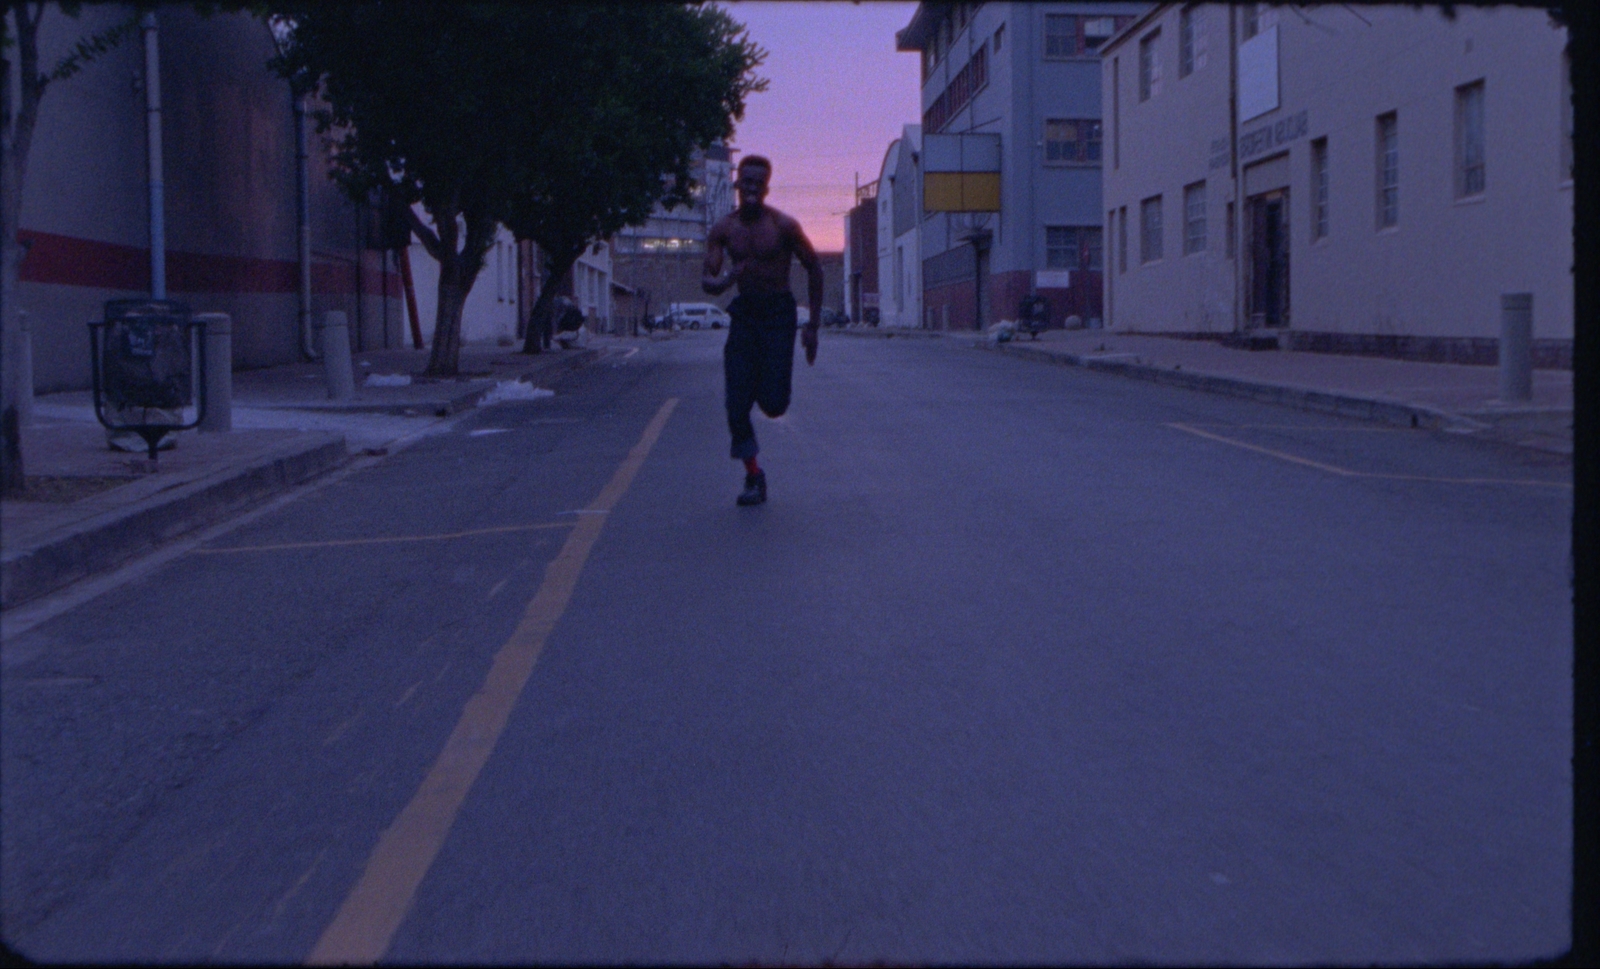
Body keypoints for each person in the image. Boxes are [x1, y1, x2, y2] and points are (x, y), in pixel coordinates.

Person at [702, 154, 824, 506]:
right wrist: (728, 279)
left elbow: (815, 268)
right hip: (745, 315)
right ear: (737, 185)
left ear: (766, 187)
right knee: (735, 405)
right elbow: (708, 280)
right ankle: (753, 476)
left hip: (777, 315)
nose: (752, 188)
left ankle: (758, 381)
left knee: (774, 404)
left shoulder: (783, 226)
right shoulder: (724, 229)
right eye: (746, 181)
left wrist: (813, 326)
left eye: (759, 182)